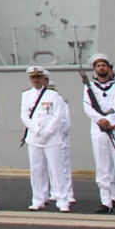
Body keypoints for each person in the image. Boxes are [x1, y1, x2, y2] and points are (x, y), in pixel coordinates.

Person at [80, 53, 115, 213]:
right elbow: (87, 107)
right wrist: (101, 120)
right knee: (102, 167)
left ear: (108, 68)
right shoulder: (89, 88)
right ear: (95, 69)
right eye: (98, 66)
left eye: (103, 65)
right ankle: (106, 201)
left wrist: (110, 120)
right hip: (98, 131)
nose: (101, 68)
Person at [21, 66, 70, 211]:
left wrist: (47, 132)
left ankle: (62, 200)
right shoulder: (25, 95)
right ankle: (38, 199)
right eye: (33, 77)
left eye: (38, 77)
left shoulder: (54, 96)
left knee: (56, 169)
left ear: (44, 79)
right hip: (34, 137)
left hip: (51, 137)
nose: (36, 80)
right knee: (36, 170)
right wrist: (36, 130)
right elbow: (24, 116)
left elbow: (58, 116)